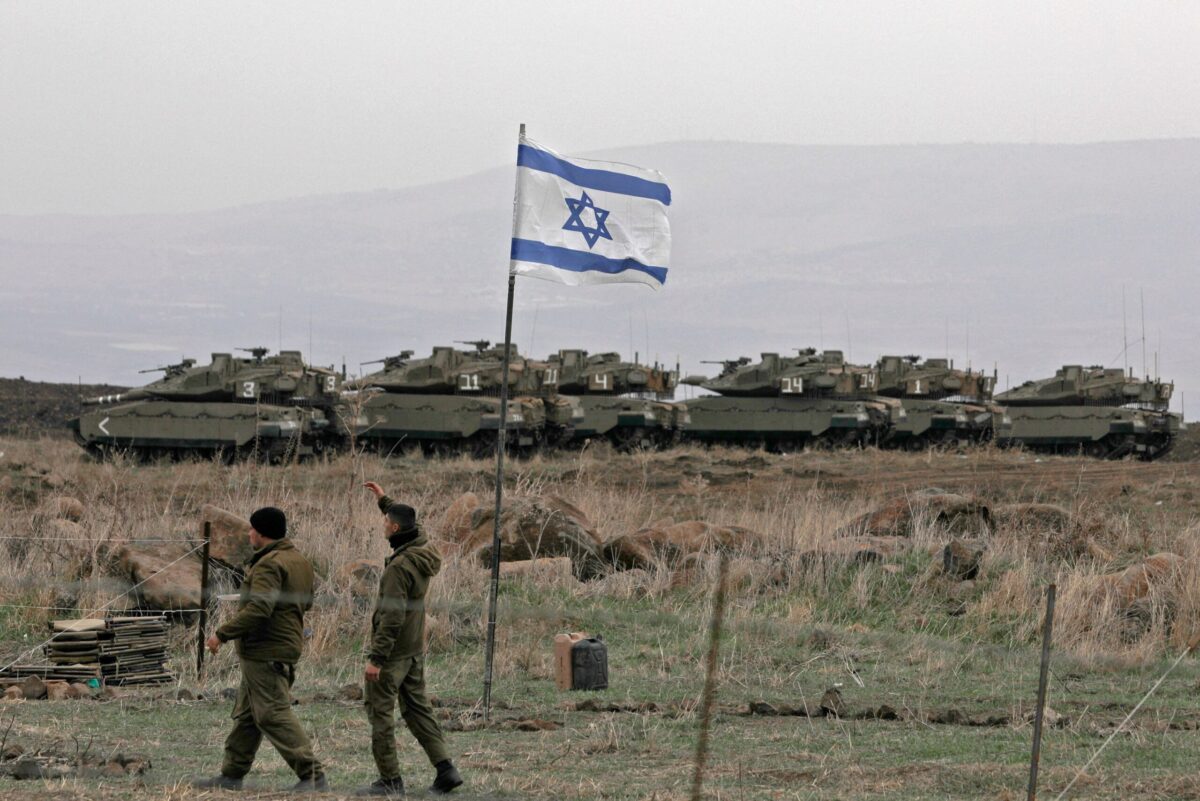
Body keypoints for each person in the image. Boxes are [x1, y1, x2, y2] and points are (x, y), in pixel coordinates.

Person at [194, 506, 328, 792]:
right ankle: (231, 776)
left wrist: (222, 633)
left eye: (252, 529)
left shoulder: (268, 565)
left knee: (271, 713)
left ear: (262, 533)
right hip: (281, 644)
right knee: (247, 715)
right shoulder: (299, 561)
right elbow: (306, 603)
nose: (249, 533)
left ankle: (312, 775)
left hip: (267, 649)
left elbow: (260, 608)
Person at [357, 481, 463, 797]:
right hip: (414, 647)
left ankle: (390, 780)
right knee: (418, 710)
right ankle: (446, 769)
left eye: (386, 522)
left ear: (395, 527)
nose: (382, 527)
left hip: (393, 653)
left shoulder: (398, 568)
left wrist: (376, 659)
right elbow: (418, 527)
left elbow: (391, 617)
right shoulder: (424, 549)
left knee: (379, 713)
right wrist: (383, 500)